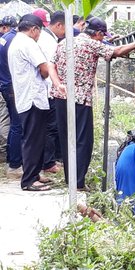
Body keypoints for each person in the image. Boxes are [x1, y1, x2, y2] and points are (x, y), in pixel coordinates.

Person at [49, 17, 135, 190]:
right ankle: (78, 182)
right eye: (101, 36)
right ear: (97, 34)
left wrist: (57, 83)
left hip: (60, 97)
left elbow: (51, 65)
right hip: (80, 99)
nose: (101, 39)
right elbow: (117, 52)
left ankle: (71, 179)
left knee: (67, 139)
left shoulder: (65, 42)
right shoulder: (92, 44)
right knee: (83, 141)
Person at [8, 14, 51, 191]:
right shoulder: (28, 43)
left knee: (35, 138)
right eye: (39, 32)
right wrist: (44, 76)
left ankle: (34, 174)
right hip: (33, 98)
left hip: (25, 96)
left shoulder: (16, 42)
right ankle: (29, 181)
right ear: (33, 29)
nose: (39, 36)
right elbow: (45, 68)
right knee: (33, 140)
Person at [36, 10, 65, 174]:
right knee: (51, 128)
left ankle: (48, 161)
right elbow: (49, 67)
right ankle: (48, 163)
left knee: (49, 128)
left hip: (48, 89)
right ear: (59, 25)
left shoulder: (47, 39)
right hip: (49, 90)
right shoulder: (50, 42)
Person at [0, 16, 23, 179]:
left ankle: (10, 158)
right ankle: (14, 164)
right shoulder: (14, 41)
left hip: (4, 84)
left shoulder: (3, 40)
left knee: (12, 123)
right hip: (12, 86)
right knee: (17, 125)